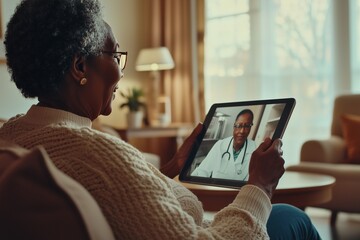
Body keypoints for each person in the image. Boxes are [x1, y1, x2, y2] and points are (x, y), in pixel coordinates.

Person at [0, 0, 321, 239]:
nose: (120, 71)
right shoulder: (98, 153)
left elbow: (119, 197)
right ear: (80, 67)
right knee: (294, 218)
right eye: (115, 55)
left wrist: (167, 170)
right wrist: (259, 185)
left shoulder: (11, 135)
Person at [191, 109, 257, 180]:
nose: (242, 131)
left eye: (247, 126)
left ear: (250, 127)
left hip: (239, 190)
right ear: (234, 126)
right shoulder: (220, 145)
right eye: (239, 125)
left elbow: (251, 182)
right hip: (215, 189)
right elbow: (202, 171)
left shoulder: (254, 149)